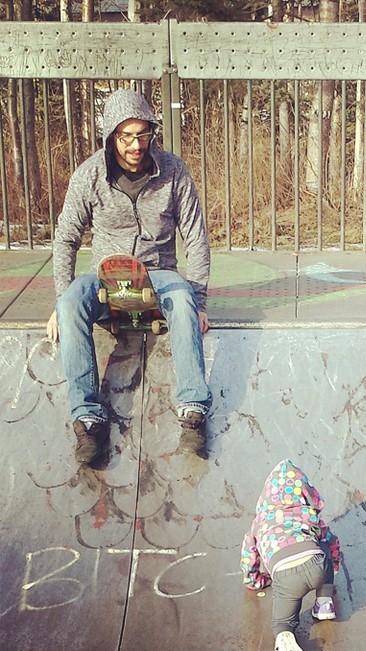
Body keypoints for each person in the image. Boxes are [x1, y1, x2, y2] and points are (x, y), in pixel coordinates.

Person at [46, 88, 212, 463]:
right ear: (111, 136)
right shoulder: (89, 175)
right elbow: (66, 238)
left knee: (183, 298)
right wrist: (60, 300)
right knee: (72, 301)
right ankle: (87, 419)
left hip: (158, 275)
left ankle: (193, 411)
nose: (136, 145)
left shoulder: (173, 171)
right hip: (105, 279)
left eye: (143, 134)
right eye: (126, 136)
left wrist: (199, 302)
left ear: (152, 132)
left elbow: (196, 238)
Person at [241, 459, 342, 651]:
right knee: (323, 548)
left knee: (283, 622)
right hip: (316, 563)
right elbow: (332, 541)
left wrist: (256, 581)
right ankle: (324, 604)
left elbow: (249, 555)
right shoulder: (307, 514)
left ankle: (285, 637)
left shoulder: (260, 523)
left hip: (285, 575)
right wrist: (332, 569)